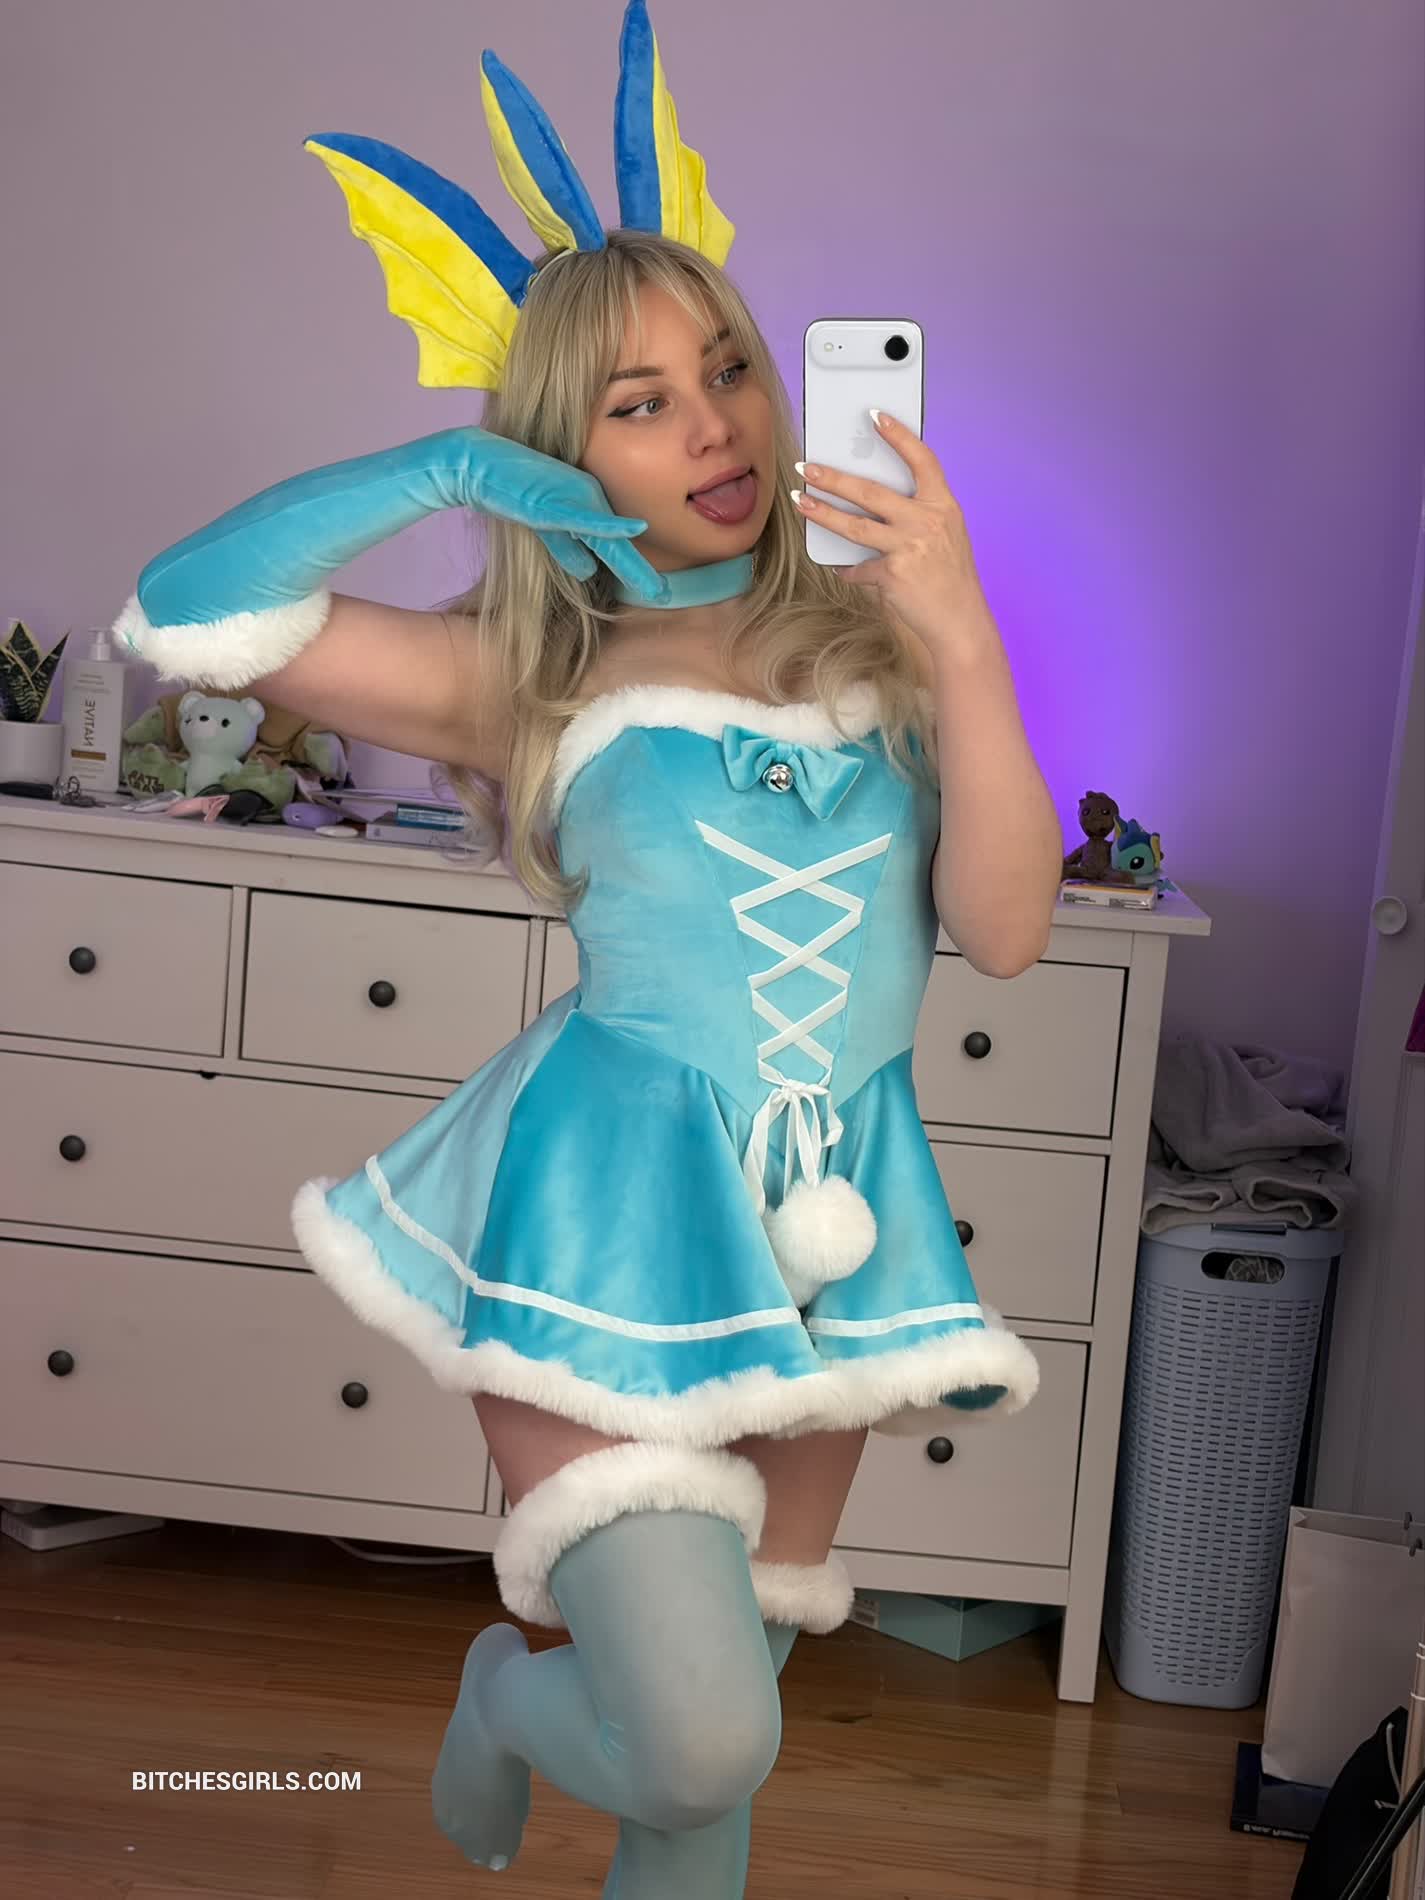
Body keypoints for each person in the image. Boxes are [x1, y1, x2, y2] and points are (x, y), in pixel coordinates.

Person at [112, 5, 1059, 1892]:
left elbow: (1006, 930)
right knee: (700, 1740)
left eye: (727, 368)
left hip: (832, 1228)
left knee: (705, 1792)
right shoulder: (526, 673)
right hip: (603, 1214)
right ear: (563, 451)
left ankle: (539, 1727)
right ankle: (501, 1697)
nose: (713, 423)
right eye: (637, 403)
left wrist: (960, 633)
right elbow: (186, 608)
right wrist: (446, 475)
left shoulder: (884, 645)